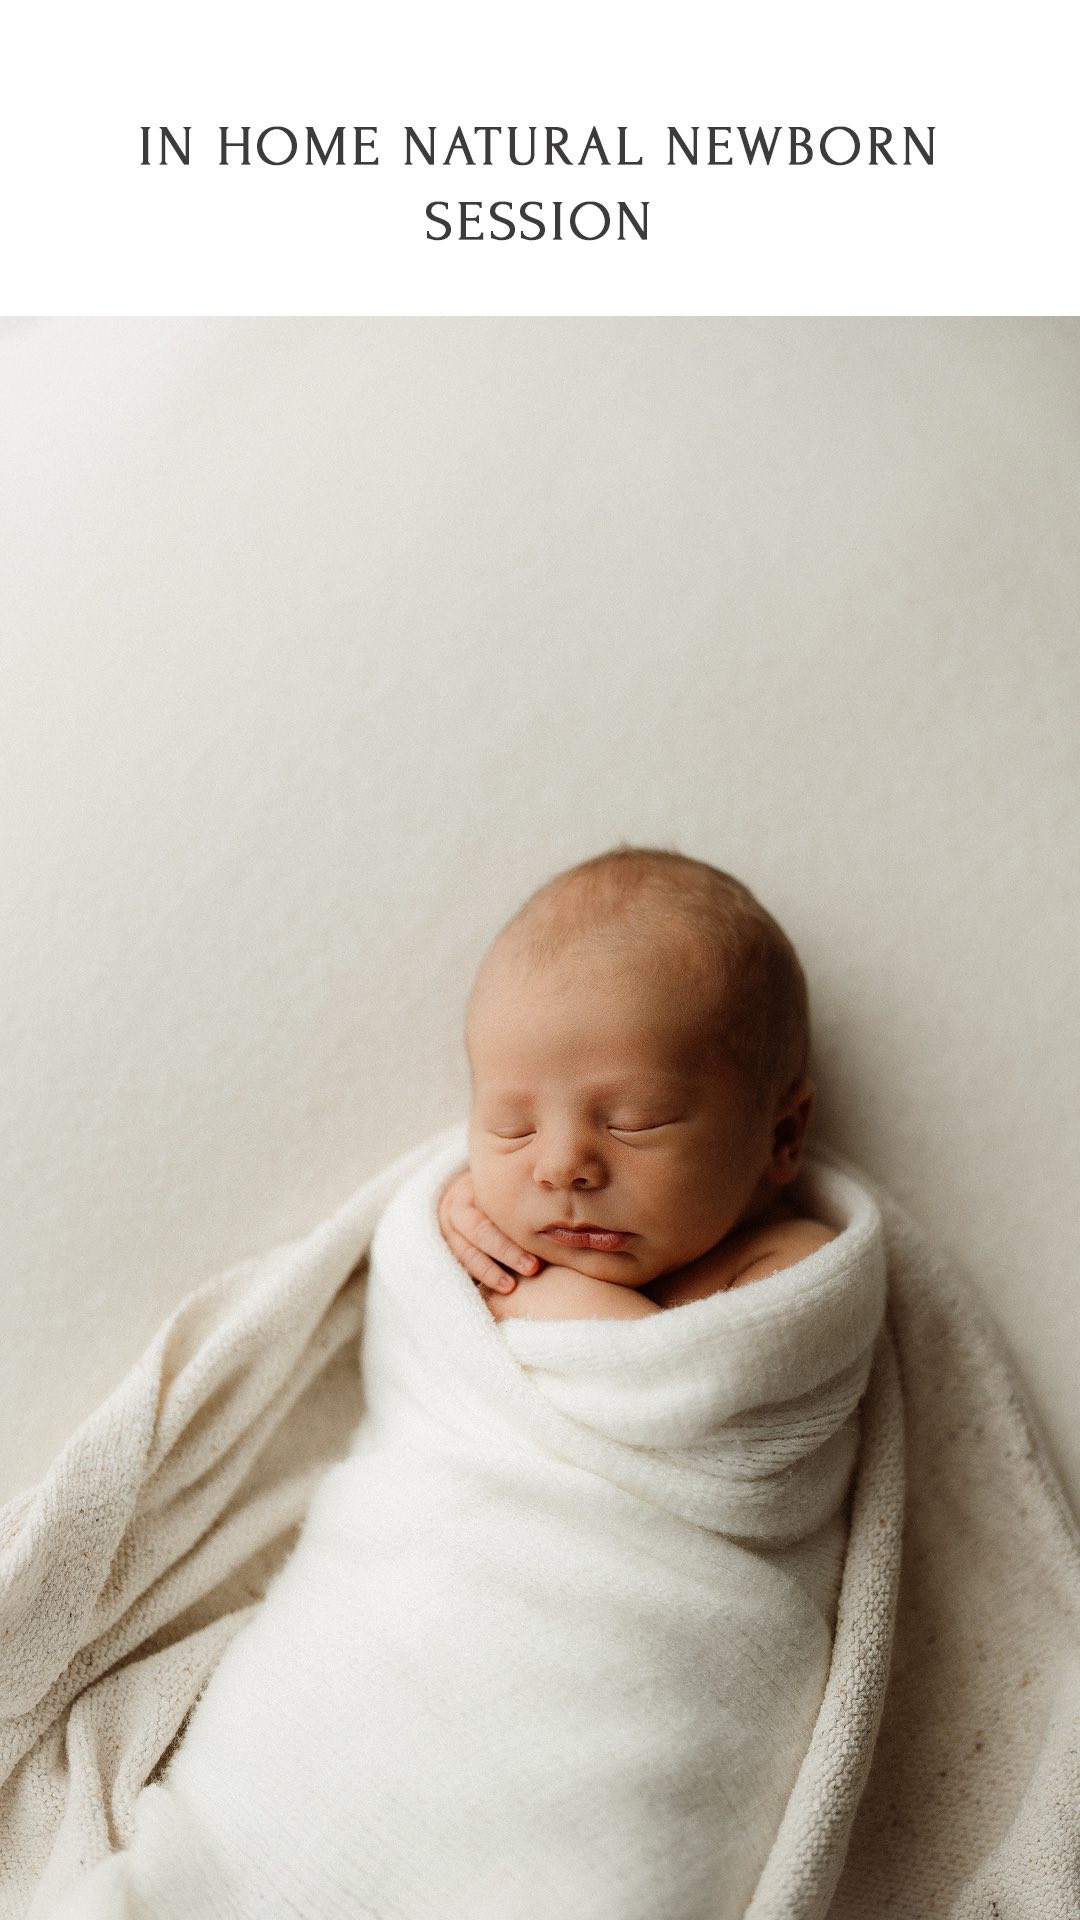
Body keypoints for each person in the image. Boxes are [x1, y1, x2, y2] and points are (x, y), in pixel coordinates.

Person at [438, 844, 835, 1321]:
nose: (562, 1166)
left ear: (781, 1137)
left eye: (634, 1122)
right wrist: (453, 1224)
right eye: (513, 1128)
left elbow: (672, 1380)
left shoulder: (796, 1265)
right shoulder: (479, 1237)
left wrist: (526, 1290)